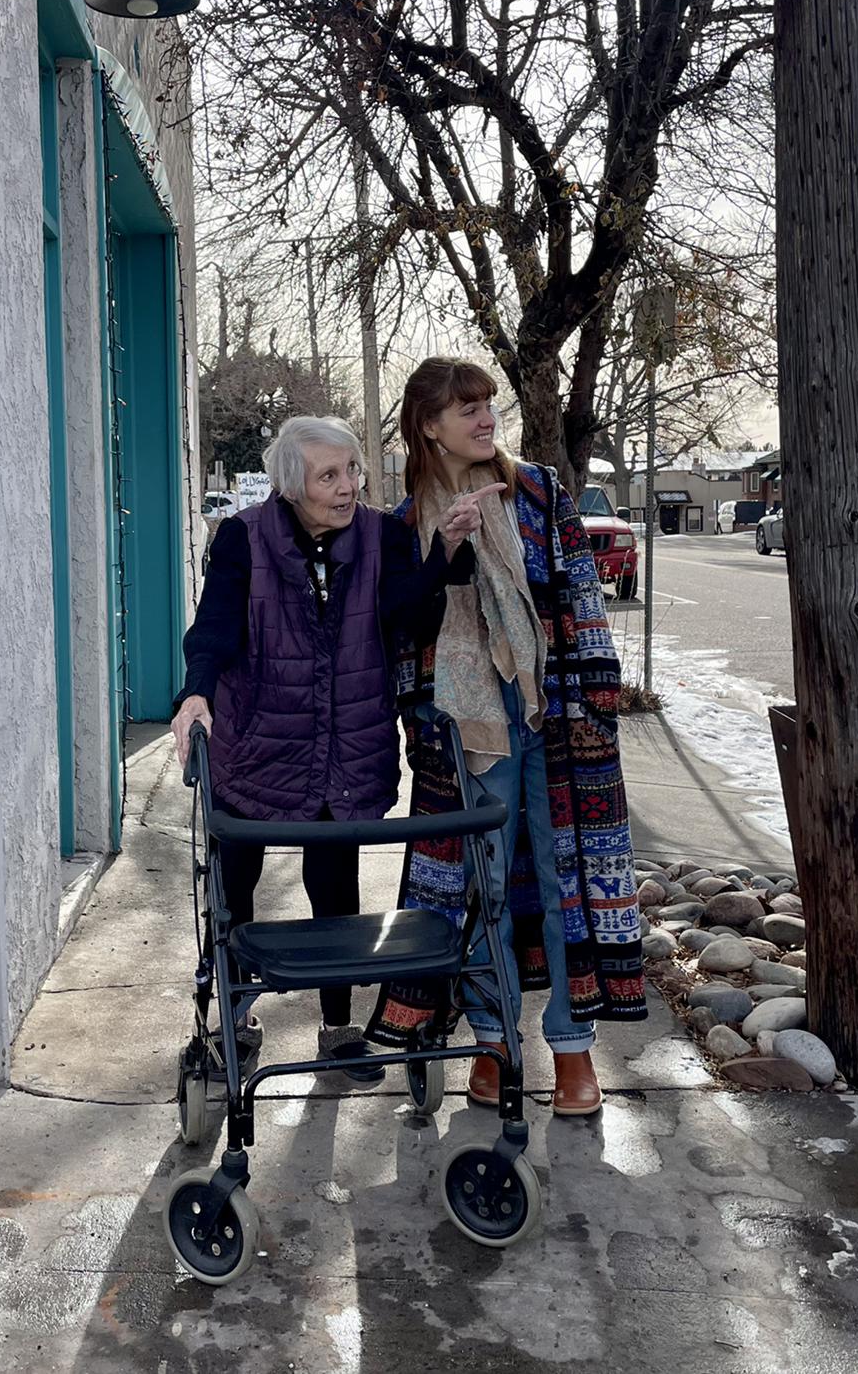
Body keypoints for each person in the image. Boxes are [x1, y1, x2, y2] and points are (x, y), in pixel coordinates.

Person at [171, 416, 500, 1082]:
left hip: (347, 742)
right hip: (257, 742)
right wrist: (196, 692)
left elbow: (406, 620)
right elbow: (215, 626)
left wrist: (445, 551)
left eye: (352, 471)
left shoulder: (381, 535)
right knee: (235, 884)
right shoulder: (242, 537)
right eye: (329, 476)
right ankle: (233, 1020)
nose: (348, 486)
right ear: (293, 486)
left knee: (335, 886)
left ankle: (338, 1027)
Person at [367, 359, 646, 1116]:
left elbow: (581, 591)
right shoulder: (404, 523)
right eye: (467, 409)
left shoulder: (539, 491)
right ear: (430, 426)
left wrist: (596, 701)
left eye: (489, 404)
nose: (486, 418)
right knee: (483, 887)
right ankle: (493, 1041)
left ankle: (572, 1049)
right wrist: (447, 549)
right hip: (468, 732)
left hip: (553, 716)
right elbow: (403, 631)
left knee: (564, 881)